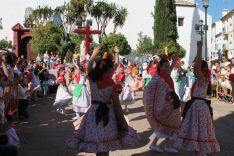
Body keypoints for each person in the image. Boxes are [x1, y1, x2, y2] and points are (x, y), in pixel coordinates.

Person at [67, 48, 138, 156]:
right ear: (109, 71)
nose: (114, 70)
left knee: (98, 143)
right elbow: (118, 107)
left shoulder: (92, 79)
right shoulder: (112, 86)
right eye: (112, 70)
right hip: (107, 116)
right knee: (105, 145)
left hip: (93, 114)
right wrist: (123, 125)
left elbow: (89, 65)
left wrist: (93, 55)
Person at [173, 41, 220, 156]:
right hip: (199, 105)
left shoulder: (202, 77)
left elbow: (198, 66)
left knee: (198, 131)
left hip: (198, 106)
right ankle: (199, 153)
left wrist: (199, 48)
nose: (193, 68)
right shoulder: (203, 78)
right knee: (199, 131)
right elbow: (193, 67)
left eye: (195, 67)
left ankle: (199, 153)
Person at [143, 54, 181, 153]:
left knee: (169, 126)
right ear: (160, 67)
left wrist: (174, 58)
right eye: (165, 66)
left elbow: (171, 66)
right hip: (165, 104)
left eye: (168, 66)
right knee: (165, 126)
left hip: (171, 103)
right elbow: (151, 92)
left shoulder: (165, 74)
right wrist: (163, 102)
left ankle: (165, 145)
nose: (168, 68)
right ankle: (155, 144)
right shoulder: (158, 77)